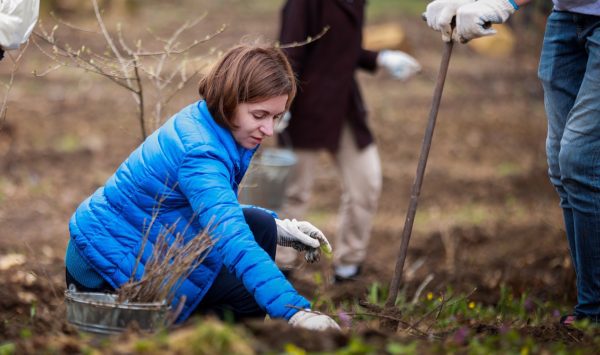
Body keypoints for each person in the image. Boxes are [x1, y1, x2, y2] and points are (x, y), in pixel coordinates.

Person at [64, 44, 341, 331]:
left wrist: (280, 228)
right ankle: (215, 340)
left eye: (275, 117)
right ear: (230, 100)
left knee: (261, 225)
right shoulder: (201, 152)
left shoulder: (208, 122)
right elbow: (232, 237)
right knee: (242, 284)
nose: (268, 130)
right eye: (259, 116)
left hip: (139, 245)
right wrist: (296, 313)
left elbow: (206, 207)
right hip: (104, 272)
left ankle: (219, 336)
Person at [424, 0, 600, 325]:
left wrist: (505, 2)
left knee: (579, 160)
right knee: (563, 169)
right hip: (566, 17)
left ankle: (594, 310)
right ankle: (590, 303)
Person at [276, 0, 422, 282]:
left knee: (365, 183)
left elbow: (341, 48)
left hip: (345, 106)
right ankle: (280, 269)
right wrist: (282, 101)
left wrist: (379, 59)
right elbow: (290, 50)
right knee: (294, 192)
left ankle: (348, 268)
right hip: (305, 106)